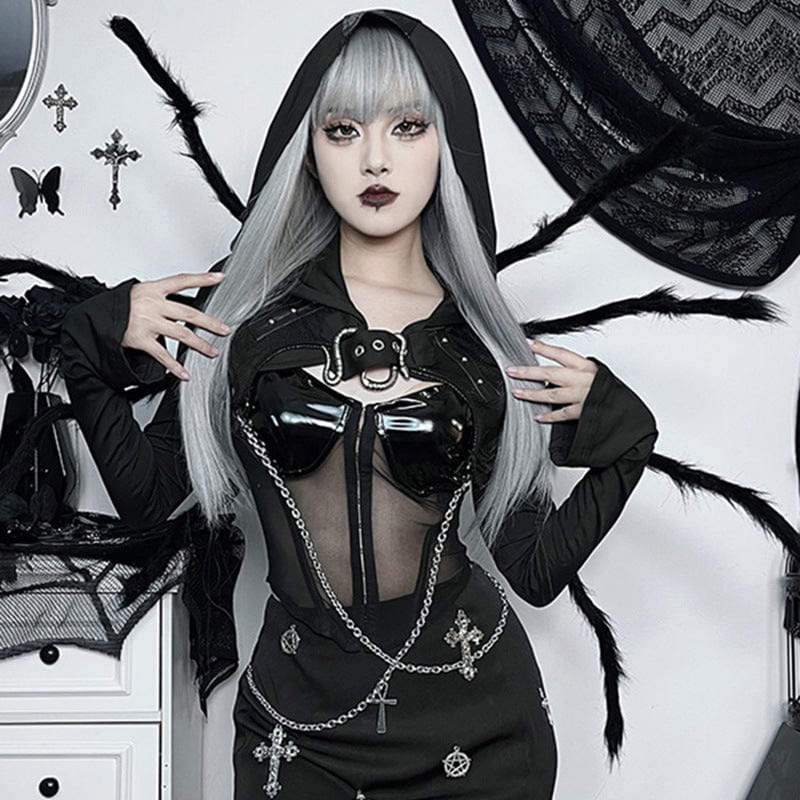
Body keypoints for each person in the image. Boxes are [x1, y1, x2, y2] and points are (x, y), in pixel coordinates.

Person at [59, 10, 658, 799]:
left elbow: (534, 569)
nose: (376, 158)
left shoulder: (479, 346)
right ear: (308, 152)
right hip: (298, 734)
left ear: (447, 145)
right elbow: (147, 500)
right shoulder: (244, 319)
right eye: (343, 130)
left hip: (480, 729)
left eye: (407, 127)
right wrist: (90, 341)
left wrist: (626, 439)